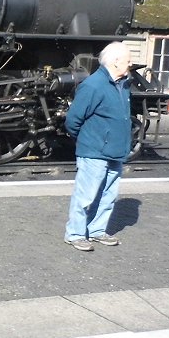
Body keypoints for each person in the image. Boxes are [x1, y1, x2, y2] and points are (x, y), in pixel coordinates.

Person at [63, 42, 132, 252]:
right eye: (128, 59)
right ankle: (75, 233)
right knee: (86, 195)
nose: (130, 63)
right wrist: (90, 141)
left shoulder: (124, 84)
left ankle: (96, 230)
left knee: (108, 195)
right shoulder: (93, 85)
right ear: (115, 61)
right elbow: (73, 120)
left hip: (116, 151)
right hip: (94, 150)